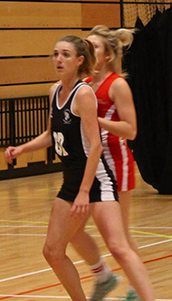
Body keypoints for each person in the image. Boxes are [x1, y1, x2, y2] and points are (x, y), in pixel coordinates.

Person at [5, 36, 155, 301]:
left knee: (118, 246)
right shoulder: (54, 91)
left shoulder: (84, 94)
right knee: (52, 250)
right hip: (71, 180)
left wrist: (85, 192)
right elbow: (51, 135)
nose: (58, 59)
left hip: (96, 179)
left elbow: (95, 146)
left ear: (79, 61)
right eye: (55, 54)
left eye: (65, 54)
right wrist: (21, 149)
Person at [69, 26, 142, 301]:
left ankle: (137, 289)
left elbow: (131, 130)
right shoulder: (83, 84)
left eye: (95, 46)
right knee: (72, 229)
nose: (88, 50)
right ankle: (103, 276)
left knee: (120, 236)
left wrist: (96, 121)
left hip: (115, 162)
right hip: (91, 164)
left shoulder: (117, 85)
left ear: (108, 55)